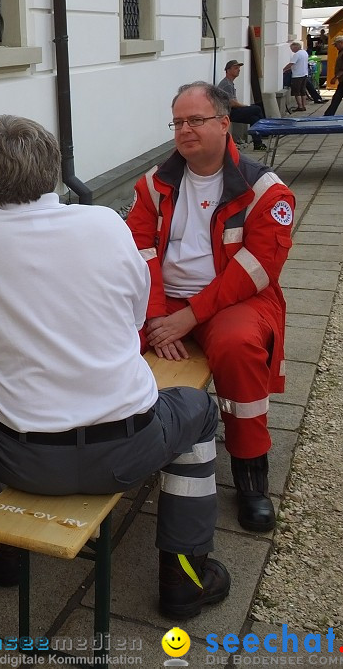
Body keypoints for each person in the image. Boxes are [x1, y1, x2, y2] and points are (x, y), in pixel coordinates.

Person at [0, 114, 229, 619]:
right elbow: (131, 317)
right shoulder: (104, 221)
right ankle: (185, 574)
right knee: (196, 409)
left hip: (23, 456)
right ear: (54, 173)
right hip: (131, 448)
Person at [126, 82, 295, 535]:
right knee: (108, 337)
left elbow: (256, 269)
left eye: (195, 120)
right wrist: (160, 316)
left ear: (225, 123)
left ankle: (250, 473)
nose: (184, 130)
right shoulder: (153, 184)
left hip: (233, 300)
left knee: (239, 347)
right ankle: (113, 443)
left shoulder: (265, 190)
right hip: (165, 302)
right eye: (178, 122)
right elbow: (139, 252)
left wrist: (188, 317)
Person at [215, 60, 267, 151]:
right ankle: (265, 130)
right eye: (235, 68)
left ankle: (258, 143)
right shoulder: (226, 84)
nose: (238, 70)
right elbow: (232, 103)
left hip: (231, 111)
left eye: (239, 68)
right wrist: (245, 107)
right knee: (257, 108)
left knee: (253, 118)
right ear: (228, 70)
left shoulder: (230, 83)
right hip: (228, 112)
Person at [282, 41, 309, 113]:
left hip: (297, 75)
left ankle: (300, 106)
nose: (291, 50)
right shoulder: (304, 53)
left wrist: (283, 69)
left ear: (295, 47)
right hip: (304, 73)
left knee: (297, 91)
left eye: (292, 48)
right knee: (302, 91)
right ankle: (304, 105)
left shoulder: (297, 54)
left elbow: (291, 64)